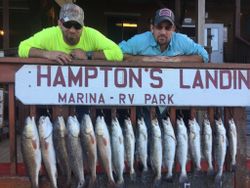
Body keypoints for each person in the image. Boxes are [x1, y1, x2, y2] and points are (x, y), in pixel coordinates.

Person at [18, 3, 123, 64]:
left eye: (77, 26)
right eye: (68, 25)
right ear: (59, 23)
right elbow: (22, 48)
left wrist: (88, 55)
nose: (72, 30)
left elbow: (118, 53)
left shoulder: (91, 34)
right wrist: (47, 54)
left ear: (83, 26)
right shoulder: (49, 34)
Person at [119, 8, 208, 63]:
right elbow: (118, 54)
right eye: (159, 27)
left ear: (173, 29)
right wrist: (147, 59)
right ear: (152, 28)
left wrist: (176, 60)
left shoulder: (181, 40)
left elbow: (204, 56)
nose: (163, 32)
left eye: (167, 28)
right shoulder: (140, 40)